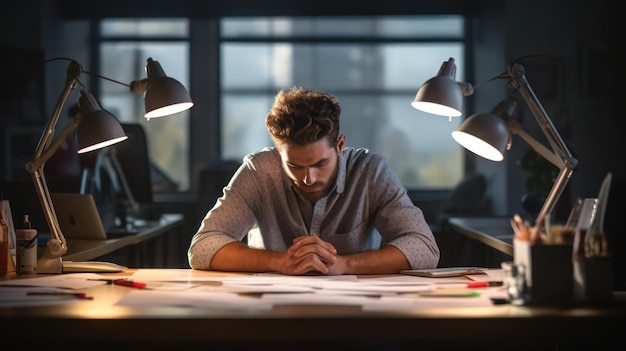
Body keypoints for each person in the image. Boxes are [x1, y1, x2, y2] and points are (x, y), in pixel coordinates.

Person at [188, 87, 440, 275]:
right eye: (294, 166)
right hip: (270, 314)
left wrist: (344, 264)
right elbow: (202, 248)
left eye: (320, 164)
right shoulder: (259, 171)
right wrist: (280, 261)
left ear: (340, 145)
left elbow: (423, 247)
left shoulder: (371, 172)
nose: (308, 178)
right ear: (277, 151)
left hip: (356, 315)